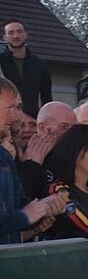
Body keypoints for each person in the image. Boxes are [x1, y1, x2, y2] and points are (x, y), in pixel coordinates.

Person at [1, 78, 62, 243]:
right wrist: (25, 216)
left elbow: (19, 203)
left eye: (18, 108)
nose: (16, 117)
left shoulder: (4, 156)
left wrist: (44, 208)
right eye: (11, 108)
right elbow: (21, 214)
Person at [19, 101, 78, 197]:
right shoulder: (22, 156)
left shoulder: (77, 156)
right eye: (64, 126)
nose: (71, 133)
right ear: (42, 128)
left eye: (74, 128)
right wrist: (32, 166)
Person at [1, 19, 53, 117]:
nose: (16, 36)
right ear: (5, 37)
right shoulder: (0, 62)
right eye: (11, 33)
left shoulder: (39, 64)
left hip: (32, 119)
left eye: (19, 31)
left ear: (26, 34)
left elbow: (46, 98)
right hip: (6, 118)